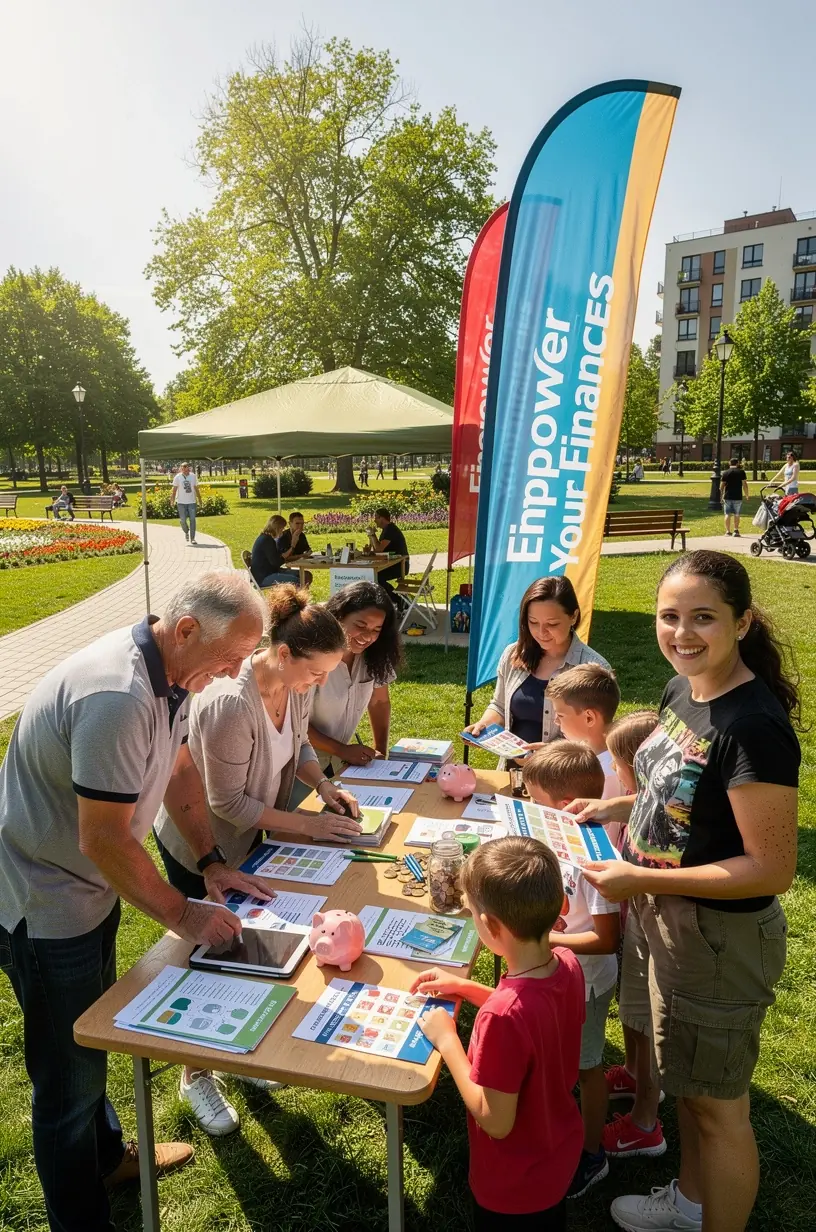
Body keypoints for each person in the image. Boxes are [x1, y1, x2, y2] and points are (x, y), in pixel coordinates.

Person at [0, 572, 277, 1232]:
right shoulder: (119, 694)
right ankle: (82, 1218)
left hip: (81, 891)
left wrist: (210, 862)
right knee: (67, 1081)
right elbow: (104, 840)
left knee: (88, 1039)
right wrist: (184, 914)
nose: (237, 673)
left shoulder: (171, 672)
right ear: (185, 630)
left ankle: (106, 1158)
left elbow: (178, 767)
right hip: (45, 902)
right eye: (231, 659)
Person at [568, 550, 800, 1232]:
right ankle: (693, 1205)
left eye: (703, 617)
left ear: (742, 621)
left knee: (718, 1109)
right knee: (694, 1095)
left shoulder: (751, 724)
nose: (682, 632)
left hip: (718, 939)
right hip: (671, 923)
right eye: (670, 617)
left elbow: (769, 868)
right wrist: (615, 812)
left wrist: (637, 876)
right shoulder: (683, 690)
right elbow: (679, 792)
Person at [154, 584, 361, 1135]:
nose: (319, 685)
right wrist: (312, 824)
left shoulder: (292, 687)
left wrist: (322, 787)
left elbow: (304, 746)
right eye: (316, 674)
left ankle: (236, 1047)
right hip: (202, 845)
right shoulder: (228, 703)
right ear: (284, 654)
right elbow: (228, 804)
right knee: (208, 954)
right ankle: (195, 1071)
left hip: (252, 840)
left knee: (250, 944)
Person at [414, 837, 585, 1230]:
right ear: (561, 904)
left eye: (473, 913)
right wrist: (468, 989)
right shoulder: (567, 964)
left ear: (489, 926)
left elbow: (495, 1120)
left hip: (512, 1188)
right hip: (556, 1159)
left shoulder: (502, 1017)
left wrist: (447, 1041)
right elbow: (537, 1012)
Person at [521, 744, 621, 1200]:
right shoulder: (559, 839)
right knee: (561, 1060)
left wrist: (545, 940)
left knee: (587, 1066)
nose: (528, 808)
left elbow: (606, 938)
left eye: (534, 800)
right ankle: (558, 1129)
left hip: (587, 983)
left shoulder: (594, 859)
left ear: (563, 807)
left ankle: (592, 1153)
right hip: (559, 974)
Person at [597, 710, 666, 1162]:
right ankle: (633, 1072)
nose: (615, 775)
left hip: (656, 919)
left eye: (618, 766)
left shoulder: (663, 814)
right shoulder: (644, 799)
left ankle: (645, 1122)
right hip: (639, 917)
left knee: (650, 1025)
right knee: (634, 1006)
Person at [465, 577, 610, 758]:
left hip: (564, 777)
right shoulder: (513, 654)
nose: (541, 633)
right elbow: (500, 706)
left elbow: (599, 735)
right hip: (511, 772)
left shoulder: (595, 668)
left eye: (552, 624)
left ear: (573, 616)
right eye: (533, 622)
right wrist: (484, 725)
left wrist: (553, 753)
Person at [299, 582, 401, 788]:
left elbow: (379, 701)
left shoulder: (377, 655)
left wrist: (380, 750)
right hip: (300, 765)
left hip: (341, 763)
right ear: (338, 616)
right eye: (360, 626)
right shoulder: (311, 657)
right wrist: (342, 750)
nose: (367, 637)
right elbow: (295, 723)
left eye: (376, 630)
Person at [545, 663, 623, 797]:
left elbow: (598, 817)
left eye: (561, 715)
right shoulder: (594, 753)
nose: (555, 720)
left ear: (589, 718)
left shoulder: (606, 775)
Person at [249, 514, 300, 588]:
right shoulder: (267, 540)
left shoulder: (266, 538)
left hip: (268, 572)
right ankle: (296, 599)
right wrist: (293, 545)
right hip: (263, 577)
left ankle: (298, 598)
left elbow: (277, 557)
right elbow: (276, 562)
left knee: (304, 575)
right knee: (297, 580)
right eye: (282, 529)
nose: (282, 532)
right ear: (277, 528)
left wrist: (292, 547)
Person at [367, 508, 410, 594]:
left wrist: (372, 534)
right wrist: (371, 536)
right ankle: (394, 599)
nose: (374, 520)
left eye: (376, 517)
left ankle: (395, 599)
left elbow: (378, 550)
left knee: (375, 577)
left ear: (382, 518)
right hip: (394, 563)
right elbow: (376, 550)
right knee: (374, 575)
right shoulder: (386, 529)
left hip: (400, 566)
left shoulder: (390, 531)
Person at [277, 511, 313, 585]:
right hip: (282, 567)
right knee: (306, 576)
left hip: (297, 564)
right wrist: (301, 555)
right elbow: (286, 558)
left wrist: (308, 552)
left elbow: (307, 549)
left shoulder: (301, 535)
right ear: (290, 524)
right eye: (297, 523)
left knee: (307, 575)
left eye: (302, 523)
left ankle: (302, 595)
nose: (300, 526)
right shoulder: (283, 537)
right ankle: (299, 594)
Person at [720, 457, 749, 537]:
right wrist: (746, 495)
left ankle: (728, 531)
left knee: (727, 514)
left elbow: (722, 486)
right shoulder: (741, 472)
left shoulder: (725, 473)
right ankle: (736, 530)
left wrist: (721, 496)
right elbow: (744, 484)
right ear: (737, 463)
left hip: (727, 496)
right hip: (738, 496)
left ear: (729, 463)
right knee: (737, 514)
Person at [172, 462, 200, 544]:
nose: (183, 469)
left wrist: (200, 499)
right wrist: (172, 500)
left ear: (188, 468)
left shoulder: (193, 476)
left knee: (192, 520)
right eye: (182, 467)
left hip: (192, 502)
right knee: (183, 520)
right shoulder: (177, 477)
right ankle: (186, 531)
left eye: (185, 467)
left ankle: (192, 538)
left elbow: (196, 488)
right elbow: (174, 490)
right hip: (181, 502)